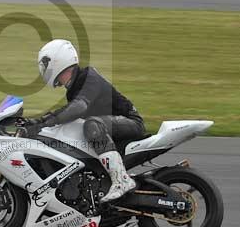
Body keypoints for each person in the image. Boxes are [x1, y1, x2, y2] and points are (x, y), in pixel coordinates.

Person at [18, 39, 146, 202]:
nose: (43, 69)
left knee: (92, 125)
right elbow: (69, 115)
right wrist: (36, 124)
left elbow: (78, 108)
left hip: (130, 122)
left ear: (58, 60)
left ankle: (121, 180)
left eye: (45, 63)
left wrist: (44, 120)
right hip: (108, 129)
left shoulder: (88, 76)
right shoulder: (73, 89)